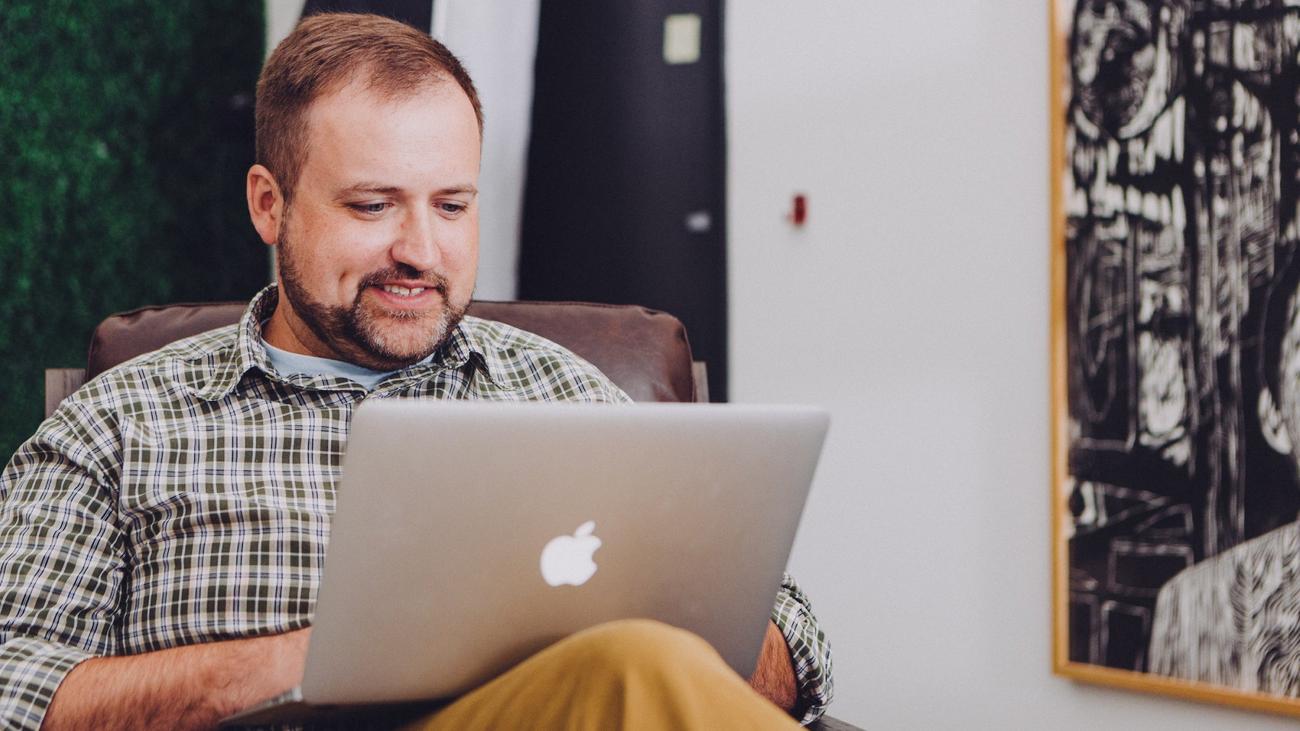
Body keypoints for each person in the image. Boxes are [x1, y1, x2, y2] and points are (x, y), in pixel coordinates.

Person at [0, 13, 832, 730]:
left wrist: (640, 622)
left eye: (451, 205)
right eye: (373, 204)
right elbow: (11, 683)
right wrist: (316, 660)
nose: (420, 252)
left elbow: (797, 647)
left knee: (638, 661)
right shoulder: (120, 421)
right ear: (269, 203)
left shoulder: (564, 391)